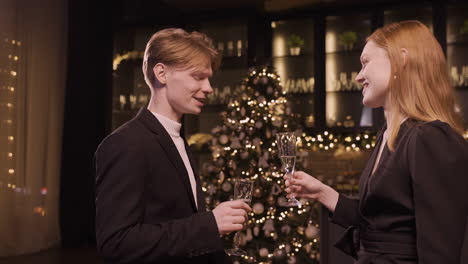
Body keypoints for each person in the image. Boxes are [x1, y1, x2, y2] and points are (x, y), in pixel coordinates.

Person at [285, 20, 468, 263]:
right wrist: (322, 193)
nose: (359, 77)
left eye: (365, 63)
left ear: (401, 60)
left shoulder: (431, 137)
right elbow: (379, 225)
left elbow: (439, 253)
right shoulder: (388, 134)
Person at [94, 28, 251, 264]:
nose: (209, 88)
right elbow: (116, 243)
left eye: (209, 78)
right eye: (198, 76)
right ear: (161, 73)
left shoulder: (176, 137)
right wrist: (209, 224)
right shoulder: (125, 143)